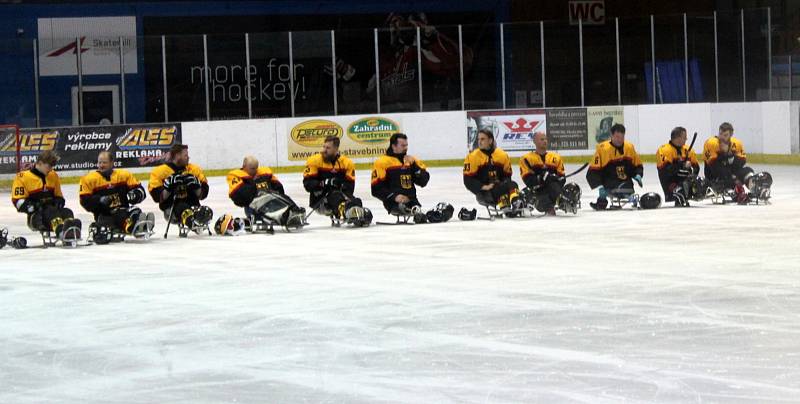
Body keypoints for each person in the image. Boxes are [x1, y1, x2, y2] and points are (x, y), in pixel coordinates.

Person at [79, 151, 153, 242]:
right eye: (100, 162)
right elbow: (84, 201)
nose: (101, 165)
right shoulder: (89, 179)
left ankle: (137, 224)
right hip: (104, 215)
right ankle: (134, 226)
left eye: (104, 162)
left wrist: (135, 194)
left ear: (112, 163)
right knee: (113, 219)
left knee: (134, 210)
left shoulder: (124, 175)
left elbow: (141, 191)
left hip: (124, 211)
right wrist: (99, 200)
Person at [11, 151, 82, 240]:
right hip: (36, 217)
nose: (50, 169)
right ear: (40, 163)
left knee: (67, 212)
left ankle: (72, 231)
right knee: (50, 211)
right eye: (48, 166)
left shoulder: (53, 176)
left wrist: (58, 202)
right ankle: (61, 232)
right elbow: (19, 202)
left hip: (53, 212)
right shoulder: (22, 177)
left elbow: (59, 196)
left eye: (52, 167)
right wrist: (35, 206)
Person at [303, 136, 372, 226]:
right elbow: (307, 184)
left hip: (340, 197)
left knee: (356, 201)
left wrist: (342, 186)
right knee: (335, 195)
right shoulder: (314, 161)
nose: (324, 150)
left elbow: (350, 188)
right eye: (324, 147)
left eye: (328, 148)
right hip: (320, 201)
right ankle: (348, 212)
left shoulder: (347, 163)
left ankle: (356, 212)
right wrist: (324, 183)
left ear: (336, 149)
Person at [148, 144, 213, 233]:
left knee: (207, 211)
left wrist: (197, 186)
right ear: (177, 156)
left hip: (193, 206)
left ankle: (195, 220)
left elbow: (203, 194)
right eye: (185, 155)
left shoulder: (193, 169)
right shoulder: (159, 172)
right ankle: (193, 222)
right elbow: (156, 197)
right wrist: (168, 187)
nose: (188, 157)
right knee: (181, 207)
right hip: (171, 211)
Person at [227, 155, 305, 229]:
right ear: (244, 166)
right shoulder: (236, 176)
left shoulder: (264, 173)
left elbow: (279, 187)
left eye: (256, 168)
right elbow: (239, 195)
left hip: (269, 199)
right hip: (253, 207)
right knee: (266, 198)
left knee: (278, 196)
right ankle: (285, 216)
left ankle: (294, 209)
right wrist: (253, 183)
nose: (254, 171)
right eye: (252, 168)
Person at [463, 128, 522, 214]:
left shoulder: (502, 155)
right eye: (478, 139)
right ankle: (517, 202)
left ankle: (508, 206)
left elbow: (507, 176)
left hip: (499, 190)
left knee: (510, 185)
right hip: (484, 194)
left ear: (490, 140)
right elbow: (467, 180)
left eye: (483, 139)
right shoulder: (472, 157)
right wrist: (483, 186)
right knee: (513, 185)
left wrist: (501, 183)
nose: (479, 142)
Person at [586, 124, 644, 210]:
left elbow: (637, 165)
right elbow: (593, 171)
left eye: (622, 137)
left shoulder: (629, 147)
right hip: (609, 182)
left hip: (626, 182)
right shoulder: (602, 149)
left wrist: (638, 175)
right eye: (617, 137)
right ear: (611, 135)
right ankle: (602, 200)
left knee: (627, 187)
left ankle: (603, 201)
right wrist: (600, 186)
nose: (619, 140)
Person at [371, 133, 430, 217]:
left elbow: (423, 182)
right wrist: (395, 197)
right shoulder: (382, 162)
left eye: (406, 145)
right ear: (394, 146)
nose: (406, 148)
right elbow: (376, 189)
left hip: (413, 202)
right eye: (402, 145)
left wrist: (414, 166)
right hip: (393, 203)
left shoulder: (411, 160)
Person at [702, 122, 755, 203]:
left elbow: (742, 162)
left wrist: (730, 155)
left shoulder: (737, 144)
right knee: (722, 174)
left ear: (731, 135)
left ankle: (754, 188)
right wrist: (734, 178)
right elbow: (714, 166)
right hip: (715, 176)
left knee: (748, 170)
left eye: (725, 135)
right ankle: (736, 189)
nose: (722, 137)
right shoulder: (711, 143)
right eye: (720, 134)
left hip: (731, 174)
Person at [519, 132, 566, 216]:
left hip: (554, 191)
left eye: (546, 139)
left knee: (571, 188)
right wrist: (541, 178)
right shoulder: (526, 159)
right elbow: (528, 180)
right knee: (526, 193)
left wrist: (556, 178)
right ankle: (551, 205)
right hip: (538, 192)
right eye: (542, 139)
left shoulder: (556, 157)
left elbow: (562, 178)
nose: (545, 141)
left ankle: (562, 201)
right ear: (534, 141)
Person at [656, 127, 700, 207]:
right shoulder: (664, 150)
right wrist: (682, 165)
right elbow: (666, 171)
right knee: (681, 194)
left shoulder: (688, 150)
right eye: (684, 137)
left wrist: (693, 179)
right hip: (671, 182)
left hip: (685, 181)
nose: (686, 139)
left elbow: (696, 167)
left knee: (701, 185)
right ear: (678, 138)